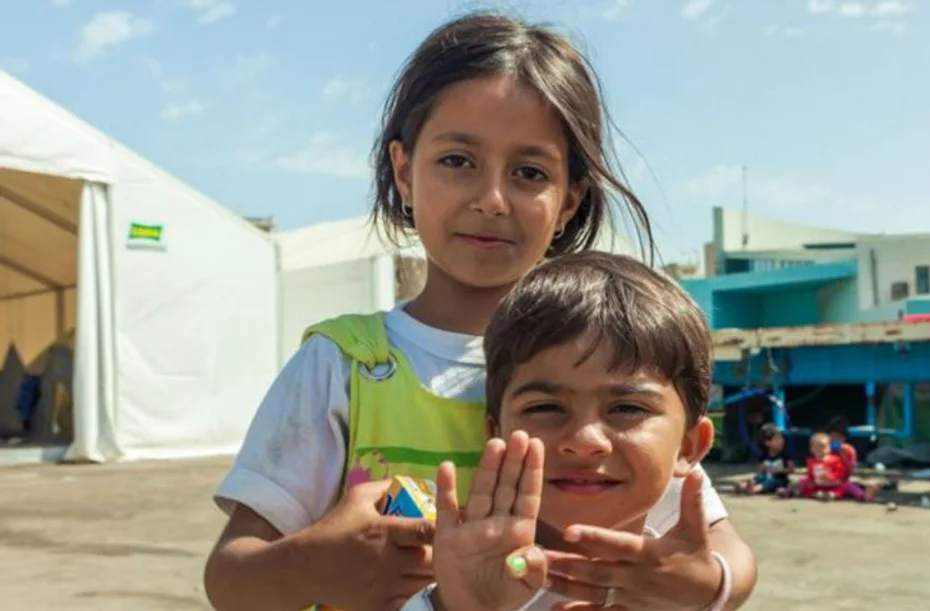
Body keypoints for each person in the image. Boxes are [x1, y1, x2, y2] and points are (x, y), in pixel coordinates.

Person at [203, 11, 755, 611]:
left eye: (528, 172)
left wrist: (709, 584)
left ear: (570, 198)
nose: (492, 200)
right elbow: (232, 579)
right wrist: (314, 565)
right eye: (458, 161)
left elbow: (720, 547)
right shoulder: (344, 368)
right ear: (403, 170)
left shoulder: (616, 354)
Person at [403, 251, 751, 610]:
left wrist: (709, 587)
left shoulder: (680, 575)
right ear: (497, 433)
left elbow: (735, 558)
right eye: (545, 408)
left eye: (627, 408)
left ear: (689, 447)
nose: (584, 442)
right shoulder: (461, 568)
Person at [736, 423, 792, 495]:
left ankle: (754, 489)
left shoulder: (784, 455)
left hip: (779, 479)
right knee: (758, 478)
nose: (781, 441)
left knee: (770, 482)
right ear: (767, 443)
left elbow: (791, 469)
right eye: (777, 439)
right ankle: (743, 486)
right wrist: (762, 468)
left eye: (781, 438)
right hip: (765, 476)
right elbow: (759, 470)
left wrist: (779, 470)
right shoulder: (764, 455)